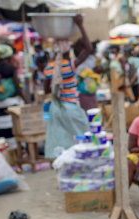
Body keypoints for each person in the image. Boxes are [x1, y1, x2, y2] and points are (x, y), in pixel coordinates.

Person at [43, 14, 92, 158]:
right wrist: (81, 25)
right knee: (83, 139)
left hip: (55, 109)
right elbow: (88, 49)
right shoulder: (69, 66)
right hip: (71, 107)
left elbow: (46, 89)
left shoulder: (49, 67)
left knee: (62, 142)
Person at [0, 43, 26, 163]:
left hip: (0, 103)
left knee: (4, 128)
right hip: (12, 102)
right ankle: (17, 153)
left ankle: (8, 153)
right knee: (15, 127)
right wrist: (25, 98)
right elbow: (17, 85)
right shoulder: (11, 68)